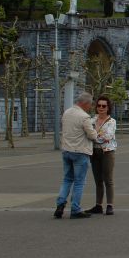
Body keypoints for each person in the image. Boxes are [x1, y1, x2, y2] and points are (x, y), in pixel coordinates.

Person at [54, 91, 97, 219]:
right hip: (80, 152)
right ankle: (75, 209)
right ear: (85, 103)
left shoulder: (67, 112)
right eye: (90, 105)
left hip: (67, 150)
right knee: (79, 182)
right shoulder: (84, 117)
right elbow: (92, 135)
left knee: (67, 179)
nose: (90, 107)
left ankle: (60, 204)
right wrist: (96, 133)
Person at [86, 94, 117, 216]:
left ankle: (110, 205)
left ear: (108, 107)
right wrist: (97, 137)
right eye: (99, 105)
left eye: (104, 106)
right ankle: (98, 205)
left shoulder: (112, 121)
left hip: (107, 152)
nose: (101, 108)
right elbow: (88, 134)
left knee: (108, 179)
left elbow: (108, 136)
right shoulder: (91, 120)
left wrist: (94, 136)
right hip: (94, 152)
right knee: (97, 180)